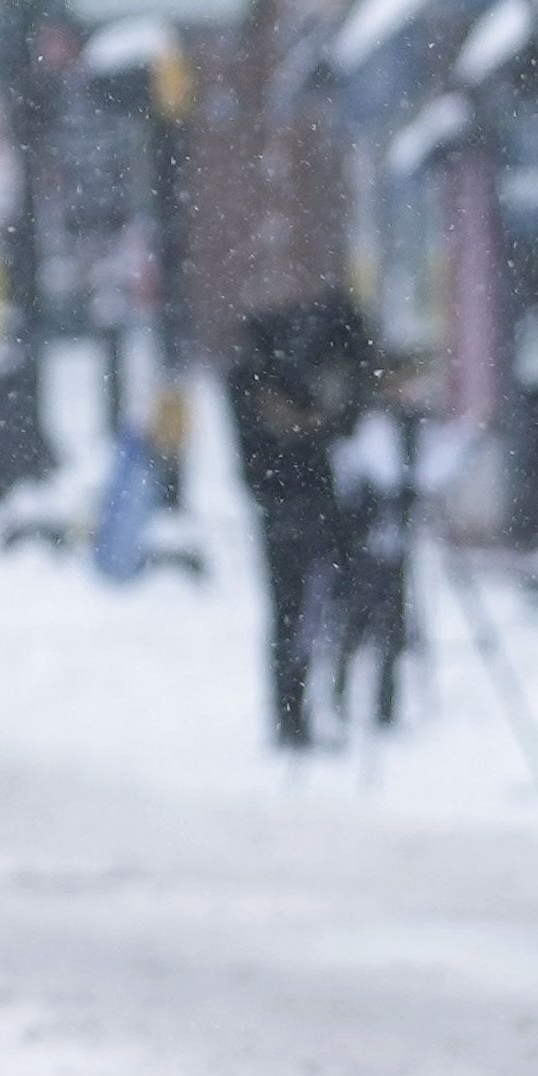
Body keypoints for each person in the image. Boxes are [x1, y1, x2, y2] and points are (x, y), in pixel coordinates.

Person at [224, 282, 395, 748]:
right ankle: (298, 713)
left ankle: (298, 712)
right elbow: (298, 429)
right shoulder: (264, 376)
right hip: (296, 502)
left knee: (294, 615)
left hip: (292, 502)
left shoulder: (260, 369)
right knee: (299, 614)